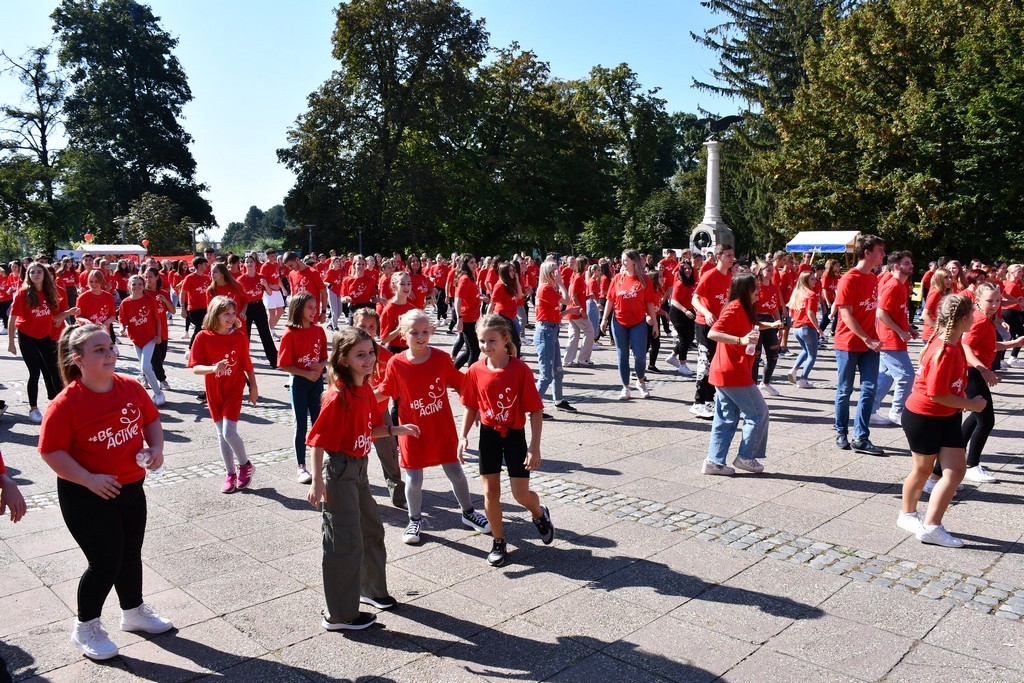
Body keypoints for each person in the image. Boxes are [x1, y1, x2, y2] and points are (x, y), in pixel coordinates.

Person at [39, 324, 173, 660]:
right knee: (105, 561)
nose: (109, 353)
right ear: (78, 359)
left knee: (130, 552)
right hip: (86, 494)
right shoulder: (65, 403)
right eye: (99, 350)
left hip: (131, 485)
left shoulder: (129, 387)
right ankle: (86, 628)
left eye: (110, 346)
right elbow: (50, 451)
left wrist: (156, 449)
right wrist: (88, 478)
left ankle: (134, 611)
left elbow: (151, 420)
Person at [304, 327, 414, 630]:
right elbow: (316, 441)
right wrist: (317, 481)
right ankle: (339, 615)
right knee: (344, 542)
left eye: (371, 353)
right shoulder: (337, 395)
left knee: (371, 530)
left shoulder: (365, 388)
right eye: (360, 355)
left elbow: (368, 429)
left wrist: (395, 430)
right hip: (340, 471)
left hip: (360, 469)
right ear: (343, 359)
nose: (369, 359)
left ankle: (370, 591)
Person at [375, 309, 491, 546]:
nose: (420, 336)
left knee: (456, 473)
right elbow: (384, 391)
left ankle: (468, 512)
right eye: (415, 332)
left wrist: (476, 405)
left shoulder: (441, 358)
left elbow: (460, 383)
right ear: (403, 335)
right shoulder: (397, 363)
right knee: (414, 480)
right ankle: (414, 519)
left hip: (442, 429)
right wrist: (354, 399)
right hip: (412, 431)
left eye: (425, 331)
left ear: (432, 331)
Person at [458, 315, 553, 567]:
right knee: (490, 493)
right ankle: (499, 541)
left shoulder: (520, 369)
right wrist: (463, 435)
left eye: (492, 340)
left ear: (505, 340)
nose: (486, 345)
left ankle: (539, 513)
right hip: (488, 435)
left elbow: (535, 411)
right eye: (482, 341)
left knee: (521, 495)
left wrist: (534, 446)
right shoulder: (475, 369)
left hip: (514, 436)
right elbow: (470, 405)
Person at [898, 295, 982, 548]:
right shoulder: (943, 349)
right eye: (973, 315)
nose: (975, 319)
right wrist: (972, 405)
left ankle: (932, 526)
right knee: (923, 469)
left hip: (946, 416)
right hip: (924, 417)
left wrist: (964, 399)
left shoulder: (952, 342)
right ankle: (909, 515)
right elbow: (936, 393)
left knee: (956, 469)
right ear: (964, 319)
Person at [947, 283, 1024, 485]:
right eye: (990, 301)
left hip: (977, 371)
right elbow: (966, 346)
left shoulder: (985, 318)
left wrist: (1013, 344)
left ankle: (953, 456)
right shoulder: (979, 319)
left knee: (976, 416)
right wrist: (984, 370)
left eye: (998, 300)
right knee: (986, 420)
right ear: (977, 300)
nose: (995, 304)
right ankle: (971, 465)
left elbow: (989, 345)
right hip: (973, 373)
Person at [188, 296, 258, 493]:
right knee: (221, 434)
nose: (231, 317)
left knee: (228, 431)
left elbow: (247, 365)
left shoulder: (240, 337)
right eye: (226, 313)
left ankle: (245, 465)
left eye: (233, 313)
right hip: (214, 390)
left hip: (234, 389)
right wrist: (212, 368)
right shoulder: (203, 337)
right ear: (215, 315)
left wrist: (254, 387)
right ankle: (230, 473)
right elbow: (195, 368)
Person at [702, 273, 770, 476]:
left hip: (728, 372)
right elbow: (712, 333)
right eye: (755, 287)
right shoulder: (735, 307)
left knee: (726, 418)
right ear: (744, 289)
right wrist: (741, 340)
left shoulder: (745, 308)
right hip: (732, 373)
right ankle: (746, 457)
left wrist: (770, 326)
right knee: (758, 414)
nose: (759, 290)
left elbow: (749, 328)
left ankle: (714, 462)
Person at [833, 234, 886, 455]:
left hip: (869, 345)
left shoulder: (873, 278)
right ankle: (841, 431)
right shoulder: (849, 279)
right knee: (845, 390)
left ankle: (861, 437)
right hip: (848, 343)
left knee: (869, 389)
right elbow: (845, 314)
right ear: (868, 253)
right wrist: (866, 338)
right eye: (880, 251)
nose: (883, 255)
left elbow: (873, 312)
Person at [353, 308, 407, 508]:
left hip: (380, 412)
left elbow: (392, 385)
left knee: (390, 454)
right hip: (357, 414)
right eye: (362, 326)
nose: (367, 330)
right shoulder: (348, 354)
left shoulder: (385, 355)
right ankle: (359, 493)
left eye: (372, 327)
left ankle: (399, 495)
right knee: (359, 455)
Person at [7, 262, 73, 423]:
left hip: (44, 336)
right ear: (28, 276)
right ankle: (33, 409)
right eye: (32, 272)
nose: (36, 274)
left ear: (44, 275)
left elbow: (54, 317)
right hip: (27, 336)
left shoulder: (49, 292)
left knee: (54, 370)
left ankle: (60, 404)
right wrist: (11, 342)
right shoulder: (24, 293)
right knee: (34, 372)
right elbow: (12, 318)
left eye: (39, 272)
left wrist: (68, 313)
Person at [277, 293, 328, 485]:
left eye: (315, 307)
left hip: (317, 383)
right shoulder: (290, 334)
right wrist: (305, 373)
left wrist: (321, 366)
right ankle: (301, 465)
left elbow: (324, 357)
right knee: (301, 426)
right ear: (298, 309)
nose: (314, 311)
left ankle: (320, 463)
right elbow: (284, 364)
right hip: (299, 384)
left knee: (318, 424)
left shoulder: (319, 331)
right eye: (310, 307)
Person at [601, 249, 660, 400]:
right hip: (619, 321)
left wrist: (655, 324)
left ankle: (640, 381)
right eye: (622, 260)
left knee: (640, 355)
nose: (623, 263)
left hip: (638, 321)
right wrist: (604, 319)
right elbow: (610, 300)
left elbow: (650, 303)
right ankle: (625, 387)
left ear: (634, 261)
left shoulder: (644, 280)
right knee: (623, 355)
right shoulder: (617, 278)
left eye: (626, 260)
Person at [872, 251, 919, 426]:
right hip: (889, 340)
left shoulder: (902, 285)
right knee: (907, 376)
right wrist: (900, 331)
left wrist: (908, 328)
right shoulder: (892, 285)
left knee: (885, 377)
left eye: (910, 262)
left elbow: (896, 313)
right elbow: (881, 313)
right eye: (907, 263)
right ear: (897, 267)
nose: (911, 265)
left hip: (893, 338)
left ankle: (870, 410)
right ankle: (897, 411)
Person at [690, 243, 736, 418]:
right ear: (719, 257)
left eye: (732, 255)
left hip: (720, 326)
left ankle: (710, 398)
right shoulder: (710, 275)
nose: (732, 258)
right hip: (704, 324)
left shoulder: (730, 276)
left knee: (716, 362)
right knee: (705, 362)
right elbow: (695, 299)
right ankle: (698, 402)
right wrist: (707, 312)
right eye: (728, 255)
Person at [534, 260, 579, 412]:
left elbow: (554, 314)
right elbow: (567, 300)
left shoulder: (548, 288)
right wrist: (560, 283)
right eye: (554, 271)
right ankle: (532, 408)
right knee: (546, 375)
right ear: (547, 273)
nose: (557, 273)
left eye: (557, 270)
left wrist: (569, 312)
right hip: (545, 332)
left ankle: (558, 401)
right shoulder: (546, 288)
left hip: (551, 329)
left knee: (558, 371)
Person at [117, 275, 166, 406]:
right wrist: (122, 328)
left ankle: (159, 393)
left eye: (140, 284)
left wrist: (159, 335)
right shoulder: (125, 303)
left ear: (144, 286)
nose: (137, 287)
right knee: (145, 368)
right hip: (135, 339)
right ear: (129, 286)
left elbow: (157, 319)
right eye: (134, 284)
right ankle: (157, 392)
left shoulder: (150, 300)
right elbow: (122, 320)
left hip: (149, 338)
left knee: (145, 366)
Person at [238, 255, 278, 368]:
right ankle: (243, 361)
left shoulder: (261, 277)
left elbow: (269, 293)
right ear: (244, 265)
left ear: (256, 264)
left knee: (265, 333)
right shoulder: (240, 280)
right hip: (247, 308)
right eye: (247, 262)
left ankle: (274, 360)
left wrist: (266, 285)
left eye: (251, 261)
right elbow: (239, 297)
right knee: (246, 335)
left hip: (259, 305)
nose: (249, 263)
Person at [751, 262, 783, 397]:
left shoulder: (774, 288)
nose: (771, 272)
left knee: (774, 355)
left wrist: (780, 325)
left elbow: (775, 307)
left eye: (772, 270)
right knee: (755, 357)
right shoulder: (756, 287)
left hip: (771, 322)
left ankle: (765, 382)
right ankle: (752, 386)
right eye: (768, 270)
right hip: (757, 321)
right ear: (761, 271)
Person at [786, 270, 822, 388]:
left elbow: (791, 313)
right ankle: (803, 379)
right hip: (807, 328)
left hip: (796, 328)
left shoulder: (797, 293)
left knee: (806, 351)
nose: (815, 280)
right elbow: (810, 313)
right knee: (812, 355)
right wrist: (818, 329)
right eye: (812, 279)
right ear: (806, 281)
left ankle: (794, 369)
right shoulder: (811, 294)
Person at [453, 255, 486, 370]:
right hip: (467, 319)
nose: (474, 264)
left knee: (469, 351)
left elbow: (469, 295)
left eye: (475, 262)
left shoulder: (471, 277)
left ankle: (450, 374)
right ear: (465, 264)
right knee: (475, 350)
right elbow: (458, 299)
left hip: (472, 317)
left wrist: (479, 297)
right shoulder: (465, 278)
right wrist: (459, 319)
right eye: (471, 262)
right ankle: (471, 379)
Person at [666, 259, 697, 377]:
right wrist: (685, 311)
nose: (688, 270)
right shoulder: (679, 283)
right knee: (684, 339)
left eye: (689, 268)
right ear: (681, 271)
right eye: (685, 269)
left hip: (689, 311)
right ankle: (682, 365)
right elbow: (674, 301)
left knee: (689, 338)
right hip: (678, 313)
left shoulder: (692, 282)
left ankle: (673, 356)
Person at [563, 256, 595, 368]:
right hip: (577, 311)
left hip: (572, 310)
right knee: (590, 331)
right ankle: (583, 358)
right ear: (583, 265)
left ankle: (567, 360)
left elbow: (577, 295)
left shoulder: (575, 276)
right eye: (587, 264)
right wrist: (581, 309)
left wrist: (586, 297)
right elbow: (574, 296)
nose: (588, 265)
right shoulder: (578, 277)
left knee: (574, 336)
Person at [179, 257, 212, 351]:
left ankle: (201, 348)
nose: (206, 266)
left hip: (206, 308)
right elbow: (183, 292)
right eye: (205, 264)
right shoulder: (190, 278)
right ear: (199, 265)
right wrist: (182, 308)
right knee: (199, 327)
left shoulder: (207, 278)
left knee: (205, 328)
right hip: (194, 308)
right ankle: (190, 349)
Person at [75, 270, 117, 338]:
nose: (94, 284)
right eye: (91, 282)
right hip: (88, 333)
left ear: (101, 282)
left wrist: (107, 322)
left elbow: (113, 315)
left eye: (96, 281)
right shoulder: (82, 298)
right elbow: (78, 316)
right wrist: (87, 321)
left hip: (104, 332)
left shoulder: (108, 296)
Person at [259, 249, 286, 338]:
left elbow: (278, 278)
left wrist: (283, 289)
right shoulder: (265, 266)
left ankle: (270, 328)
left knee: (281, 310)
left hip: (277, 291)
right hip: (268, 291)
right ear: (267, 257)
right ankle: (272, 332)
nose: (274, 258)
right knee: (272, 312)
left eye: (274, 256)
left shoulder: (276, 265)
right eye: (271, 256)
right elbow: (262, 280)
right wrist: (271, 286)